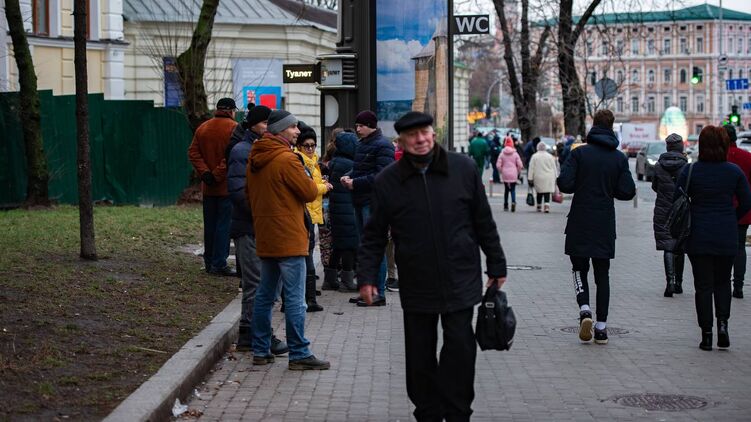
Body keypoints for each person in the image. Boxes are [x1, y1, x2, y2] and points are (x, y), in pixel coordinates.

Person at [357, 111, 507, 421]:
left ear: (433, 134)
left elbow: (483, 222)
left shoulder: (462, 169)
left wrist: (496, 263)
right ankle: (426, 412)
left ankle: (457, 412)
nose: (420, 139)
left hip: (461, 277)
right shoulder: (389, 180)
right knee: (420, 354)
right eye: (412, 136)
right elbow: (373, 235)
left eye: (425, 132)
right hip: (417, 281)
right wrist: (368, 277)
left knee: (460, 349)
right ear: (401, 141)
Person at [246, 109, 329, 370]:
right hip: (289, 235)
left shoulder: (255, 156)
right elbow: (307, 192)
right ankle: (299, 353)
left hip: (266, 233)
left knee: (265, 294)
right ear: (282, 129)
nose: (297, 132)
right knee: (294, 297)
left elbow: (250, 194)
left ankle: (260, 350)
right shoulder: (287, 159)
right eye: (293, 127)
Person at [557, 109, 636, 345]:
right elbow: (627, 191)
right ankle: (601, 328)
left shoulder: (580, 154)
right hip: (604, 222)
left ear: (594, 125)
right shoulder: (619, 158)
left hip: (580, 219)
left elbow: (565, 184)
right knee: (603, 274)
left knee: (579, 269)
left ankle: (584, 310)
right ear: (612, 127)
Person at [677, 126, 751, 351]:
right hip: (727, 233)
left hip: (698, 234)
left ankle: (706, 335)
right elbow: (747, 202)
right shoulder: (734, 172)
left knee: (703, 286)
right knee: (722, 282)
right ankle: (723, 326)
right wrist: (731, 216)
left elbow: (677, 199)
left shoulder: (691, 171)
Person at [226, 104, 288, 355]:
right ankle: (256, 335)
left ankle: (249, 334)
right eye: (265, 124)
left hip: (258, 225)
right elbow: (239, 192)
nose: (269, 128)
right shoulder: (243, 150)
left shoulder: (254, 148)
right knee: (256, 284)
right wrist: (267, 211)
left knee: (261, 283)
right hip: (250, 226)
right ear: (255, 125)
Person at [340, 110, 395, 306]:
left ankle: (378, 293)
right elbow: (361, 168)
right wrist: (348, 175)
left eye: (360, 126)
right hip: (360, 200)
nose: (357, 129)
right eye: (356, 126)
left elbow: (382, 176)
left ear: (370, 125)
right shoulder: (364, 144)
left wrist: (355, 183)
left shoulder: (383, 145)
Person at [188, 97, 238, 276]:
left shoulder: (203, 127)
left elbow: (193, 152)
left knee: (210, 226)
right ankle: (219, 263)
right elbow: (232, 155)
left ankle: (209, 262)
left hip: (208, 188)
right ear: (232, 111)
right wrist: (217, 174)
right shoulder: (234, 128)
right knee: (224, 226)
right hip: (226, 186)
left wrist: (206, 173)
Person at [295, 126, 333, 312]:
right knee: (306, 259)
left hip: (312, 213)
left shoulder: (314, 162)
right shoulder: (299, 161)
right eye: (306, 145)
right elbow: (308, 188)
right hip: (304, 214)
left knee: (308, 257)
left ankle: (308, 297)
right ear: (299, 146)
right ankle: (307, 299)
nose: (310, 149)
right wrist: (324, 187)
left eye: (313, 145)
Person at [650, 133, 688, 297]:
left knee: (668, 244)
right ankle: (679, 283)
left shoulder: (659, 165)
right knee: (680, 245)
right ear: (681, 147)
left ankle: (669, 282)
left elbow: (655, 186)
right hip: (681, 210)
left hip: (662, 208)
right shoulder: (686, 166)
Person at [326, 131, 360, 294]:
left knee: (338, 245)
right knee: (349, 245)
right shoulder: (348, 164)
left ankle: (330, 279)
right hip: (347, 208)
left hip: (337, 209)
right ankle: (347, 281)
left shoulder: (335, 161)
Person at [724, 124, 751, 299]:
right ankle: (738, 286)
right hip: (744, 209)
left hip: (722, 210)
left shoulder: (719, 157)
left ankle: (723, 282)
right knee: (740, 247)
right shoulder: (747, 157)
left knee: (723, 248)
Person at [528, 141, 559, 213]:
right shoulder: (550, 156)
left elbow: (531, 168)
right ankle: (547, 206)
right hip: (549, 176)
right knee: (547, 192)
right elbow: (554, 167)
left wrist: (530, 178)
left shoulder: (534, 156)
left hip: (538, 176)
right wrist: (556, 176)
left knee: (539, 192)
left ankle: (539, 206)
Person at [496, 137, 523, 212]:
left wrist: (502, 170)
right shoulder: (515, 154)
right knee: (513, 189)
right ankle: (513, 202)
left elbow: (498, 165)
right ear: (512, 144)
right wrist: (517, 171)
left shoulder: (502, 154)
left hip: (505, 173)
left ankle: (505, 205)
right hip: (513, 173)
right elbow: (520, 165)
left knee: (506, 190)